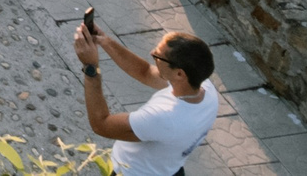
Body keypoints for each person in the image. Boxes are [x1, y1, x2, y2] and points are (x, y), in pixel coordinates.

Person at [72, 22, 221, 176]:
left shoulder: (163, 117)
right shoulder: (205, 89)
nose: (151, 53)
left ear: (179, 74)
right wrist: (105, 41)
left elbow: (101, 124)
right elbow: (146, 72)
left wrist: (90, 68)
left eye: (157, 56)